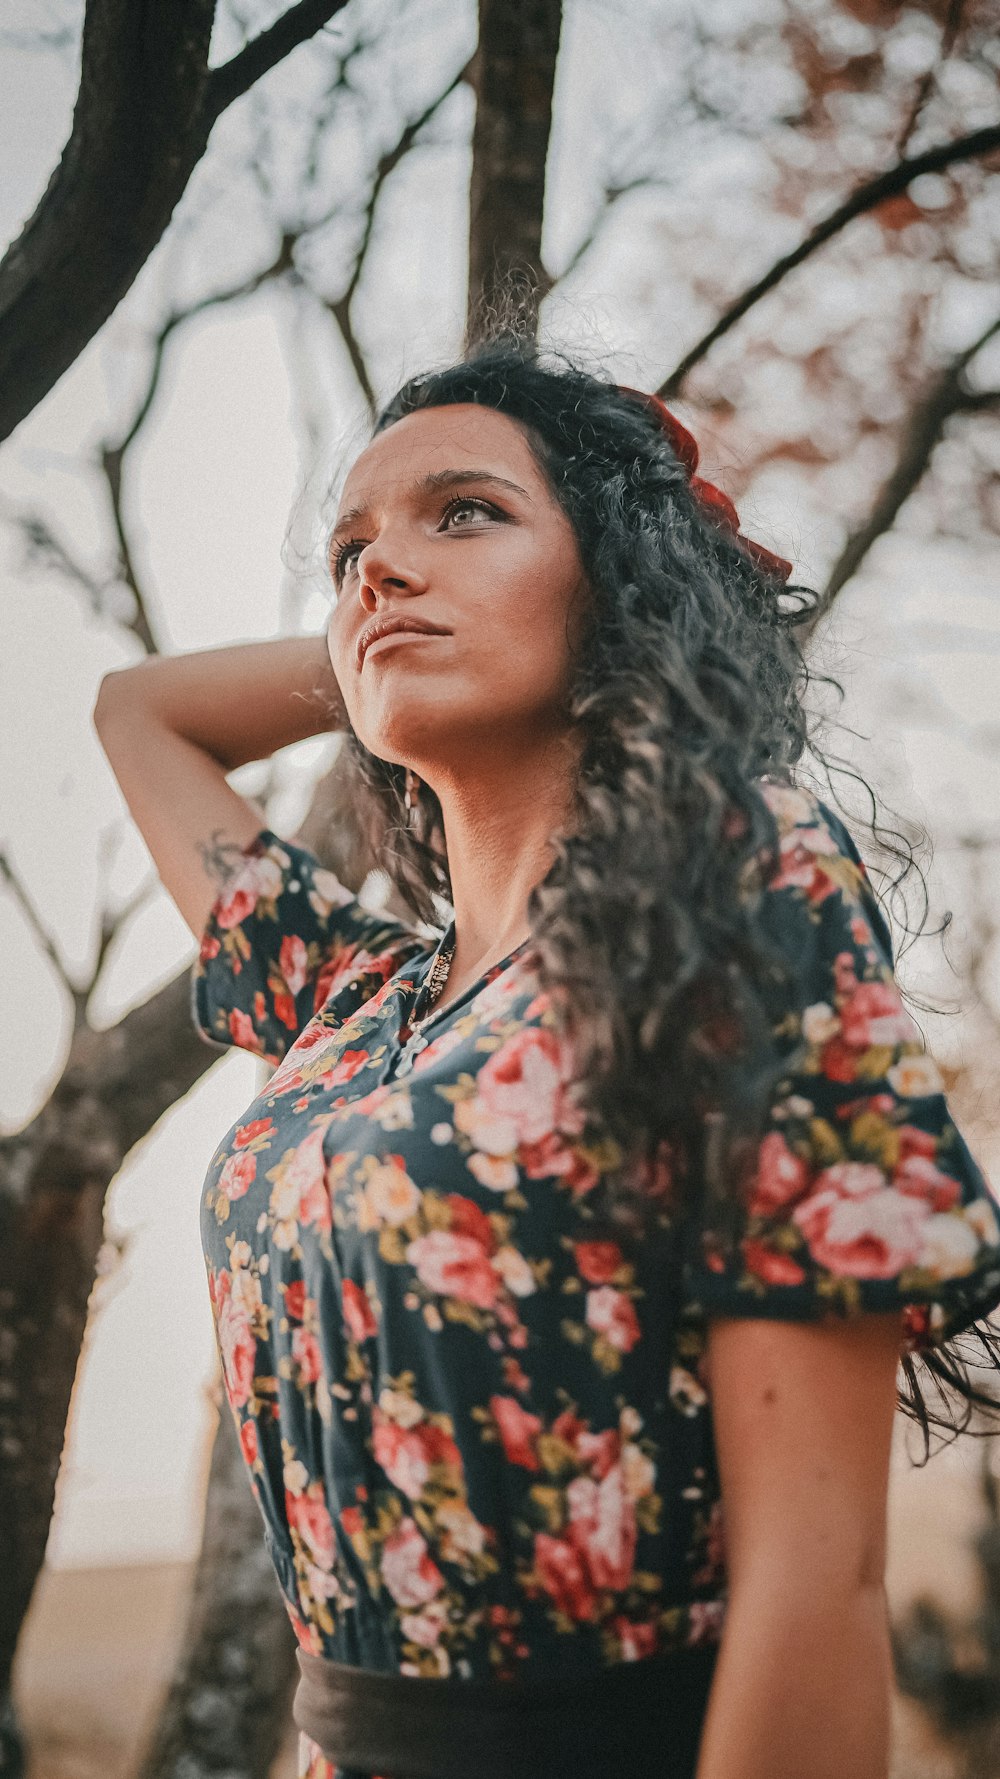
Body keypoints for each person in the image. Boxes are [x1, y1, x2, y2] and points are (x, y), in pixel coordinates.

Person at [94, 339, 1000, 1779]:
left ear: (622, 580)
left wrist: (634, 618)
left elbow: (814, 1586)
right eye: (349, 552)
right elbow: (138, 710)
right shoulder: (350, 1001)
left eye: (465, 512)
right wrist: (383, 632)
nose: (380, 569)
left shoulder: (736, 888)